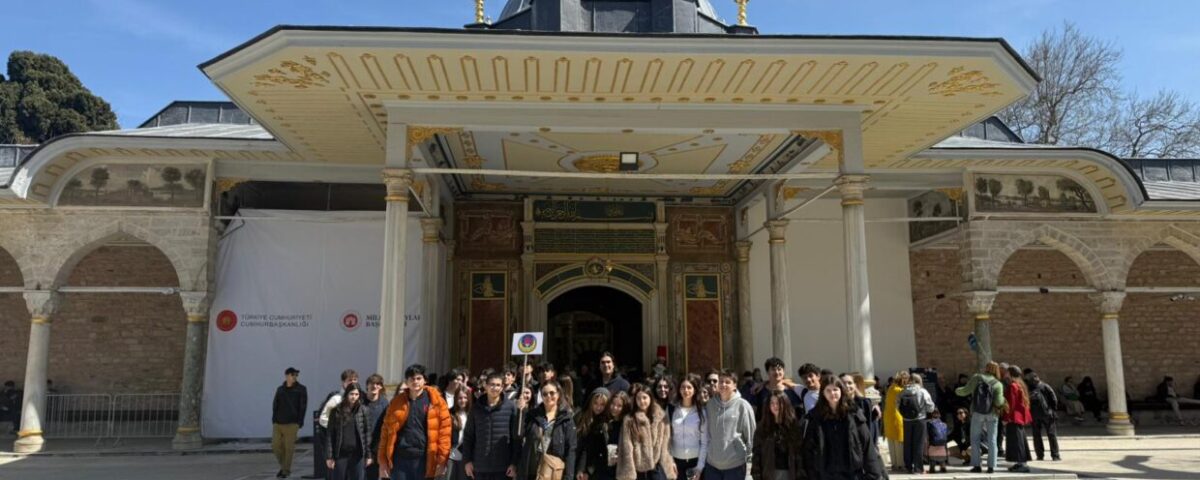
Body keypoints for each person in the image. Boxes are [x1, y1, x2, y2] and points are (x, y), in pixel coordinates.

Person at [799, 375, 886, 480]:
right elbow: (808, 450)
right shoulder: (815, 418)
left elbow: (867, 446)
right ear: (823, 393)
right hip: (825, 475)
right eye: (828, 390)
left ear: (841, 391)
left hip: (852, 474)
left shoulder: (854, 415)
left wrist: (873, 475)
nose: (832, 393)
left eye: (835, 389)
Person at [378, 364, 452, 480]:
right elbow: (385, 432)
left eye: (418, 378)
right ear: (407, 382)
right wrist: (383, 461)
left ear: (425, 380)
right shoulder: (396, 402)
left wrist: (442, 459)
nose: (415, 382)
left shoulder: (436, 402)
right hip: (400, 458)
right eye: (412, 379)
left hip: (424, 459)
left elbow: (445, 433)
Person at [517, 380, 578, 480]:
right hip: (531, 470)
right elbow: (519, 435)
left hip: (552, 472)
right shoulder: (533, 415)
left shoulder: (566, 419)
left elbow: (571, 449)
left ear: (558, 394)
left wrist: (568, 476)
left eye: (552, 393)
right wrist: (521, 412)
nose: (548, 396)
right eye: (545, 394)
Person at [463, 372, 519, 480]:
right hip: (480, 467)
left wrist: (514, 463)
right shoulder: (476, 408)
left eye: (498, 385)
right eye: (492, 384)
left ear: (502, 387)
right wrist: (467, 461)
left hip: (503, 468)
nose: (495, 388)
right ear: (486, 386)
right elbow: (468, 436)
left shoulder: (511, 407)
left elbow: (515, 438)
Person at [702, 369, 755, 480]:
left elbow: (750, 439)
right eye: (721, 381)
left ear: (735, 385)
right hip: (712, 466)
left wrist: (749, 470)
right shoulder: (710, 405)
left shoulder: (743, 406)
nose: (723, 385)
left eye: (727, 382)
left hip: (735, 466)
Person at [955, 361, 1006, 474]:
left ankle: (977, 466)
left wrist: (957, 390)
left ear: (986, 368)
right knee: (992, 440)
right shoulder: (998, 384)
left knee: (975, 439)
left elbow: (964, 391)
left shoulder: (977, 378)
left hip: (977, 412)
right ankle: (991, 467)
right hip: (992, 414)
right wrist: (1003, 400)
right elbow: (999, 402)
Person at [617, 384, 676, 480]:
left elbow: (665, 445)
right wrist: (629, 473)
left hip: (656, 467)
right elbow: (627, 447)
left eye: (644, 398)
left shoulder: (661, 417)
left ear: (650, 398)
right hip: (638, 470)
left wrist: (670, 465)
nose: (642, 401)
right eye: (638, 398)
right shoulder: (629, 419)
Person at [325, 383, 375, 480]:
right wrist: (329, 456)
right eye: (351, 394)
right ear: (346, 394)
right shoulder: (336, 411)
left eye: (356, 394)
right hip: (341, 454)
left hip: (358, 454)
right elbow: (330, 435)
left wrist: (369, 455)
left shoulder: (364, 410)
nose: (354, 397)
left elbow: (367, 434)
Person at [750, 391, 801, 480]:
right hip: (769, 473)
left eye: (778, 403)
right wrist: (756, 474)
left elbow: (800, 453)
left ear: (785, 404)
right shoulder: (762, 427)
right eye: (772, 403)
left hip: (790, 473)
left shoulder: (793, 427)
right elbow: (757, 454)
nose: (775, 406)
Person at [668, 374, 707, 480]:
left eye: (689, 387)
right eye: (683, 387)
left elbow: (704, 442)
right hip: (676, 462)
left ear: (695, 390)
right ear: (679, 389)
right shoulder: (672, 410)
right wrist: (670, 461)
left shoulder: (701, 412)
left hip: (695, 460)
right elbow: (668, 439)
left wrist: (699, 467)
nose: (686, 390)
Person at [271, 367, 307, 479]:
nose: (295, 377)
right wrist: (274, 419)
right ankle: (284, 467)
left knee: (289, 448)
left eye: (296, 375)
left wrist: (299, 422)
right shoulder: (280, 389)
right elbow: (275, 404)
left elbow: (303, 406)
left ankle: (285, 471)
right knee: (275, 446)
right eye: (293, 375)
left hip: (292, 423)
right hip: (278, 423)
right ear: (286, 375)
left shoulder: (301, 389)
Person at [898, 373, 935, 474]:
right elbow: (930, 407)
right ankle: (918, 468)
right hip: (920, 419)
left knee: (907, 443)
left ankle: (908, 467)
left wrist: (905, 414)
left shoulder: (903, 391)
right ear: (919, 381)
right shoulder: (923, 391)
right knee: (919, 443)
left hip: (906, 420)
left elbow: (898, 406)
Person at [576, 388, 614, 480]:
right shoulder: (580, 417)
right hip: (576, 464)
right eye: (595, 403)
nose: (598, 407)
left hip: (595, 470)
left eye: (602, 404)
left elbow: (601, 452)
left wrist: (589, 471)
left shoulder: (605, 424)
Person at [1001, 366, 1032, 473]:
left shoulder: (1013, 386)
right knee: (1019, 440)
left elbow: (1011, 404)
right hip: (1018, 417)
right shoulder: (1020, 384)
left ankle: (1022, 463)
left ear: (1010, 373)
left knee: (1017, 441)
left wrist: (1006, 418)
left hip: (1014, 418)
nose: (1005, 373)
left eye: (1007, 372)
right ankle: (1019, 463)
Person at [1027, 372, 1060, 461]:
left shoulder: (1030, 388)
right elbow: (1054, 399)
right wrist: (1053, 410)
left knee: (1036, 435)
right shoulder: (1045, 386)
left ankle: (1040, 455)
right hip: (1047, 414)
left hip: (1035, 414)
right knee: (1051, 434)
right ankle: (1055, 455)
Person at [363, 374, 390, 480]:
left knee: (372, 475)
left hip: (376, 447)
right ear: (367, 386)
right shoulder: (360, 401)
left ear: (381, 386)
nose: (374, 386)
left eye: (377, 384)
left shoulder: (384, 403)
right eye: (372, 383)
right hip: (361, 446)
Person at [840, 373, 880, 444]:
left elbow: (869, 428)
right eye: (843, 383)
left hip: (861, 444)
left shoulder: (864, 403)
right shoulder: (837, 404)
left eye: (850, 383)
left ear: (855, 385)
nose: (847, 386)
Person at [882, 371, 908, 472]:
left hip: (888, 418)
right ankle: (901, 464)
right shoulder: (900, 391)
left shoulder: (890, 388)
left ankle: (894, 464)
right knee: (899, 443)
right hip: (898, 418)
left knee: (891, 442)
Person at [924, 410, 950, 474]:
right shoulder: (944, 424)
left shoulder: (929, 423)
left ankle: (932, 468)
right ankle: (943, 467)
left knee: (932, 457)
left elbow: (927, 434)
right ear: (940, 415)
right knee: (942, 457)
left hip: (933, 445)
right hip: (943, 445)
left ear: (932, 415)